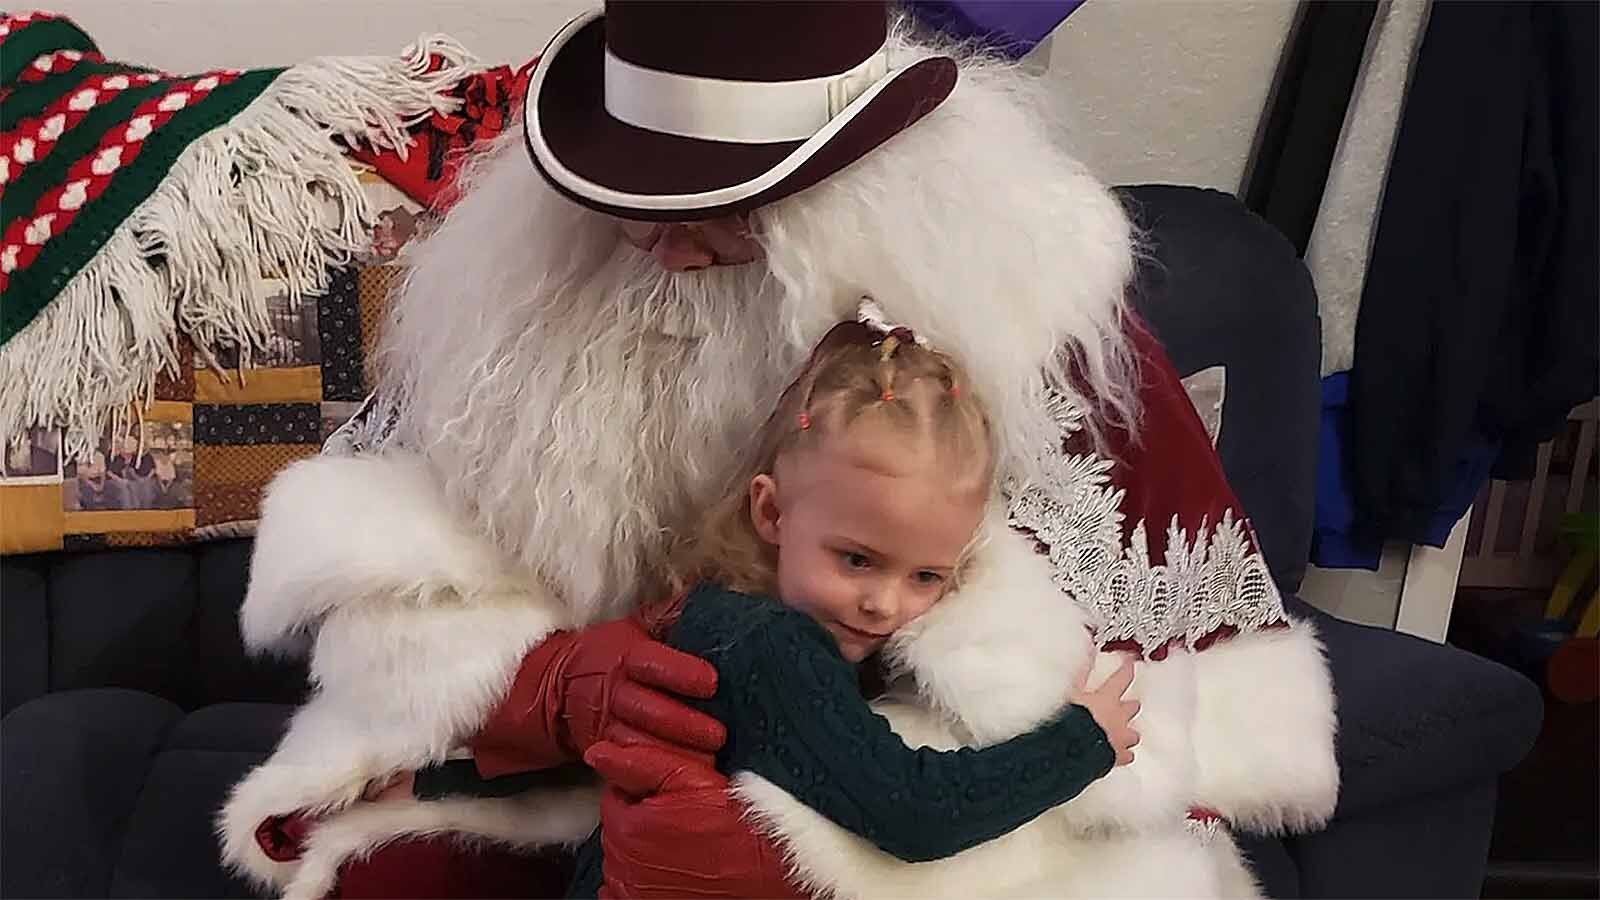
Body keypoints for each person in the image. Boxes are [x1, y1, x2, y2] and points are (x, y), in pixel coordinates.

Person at [220, 3, 1337, 898]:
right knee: (398, 875)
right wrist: (550, 687)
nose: (665, 245)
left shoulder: (1039, 335)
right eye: (629, 197)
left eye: (722, 205)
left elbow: (1123, 728)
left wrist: (797, 838)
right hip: (571, 779)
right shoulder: (508, 303)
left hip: (904, 797)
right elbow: (381, 586)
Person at [563, 314, 1141, 895]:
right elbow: (913, 810)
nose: (883, 604)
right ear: (771, 513)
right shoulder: (772, 647)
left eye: (926, 576)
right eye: (857, 560)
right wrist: (1080, 743)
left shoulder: (724, 608)